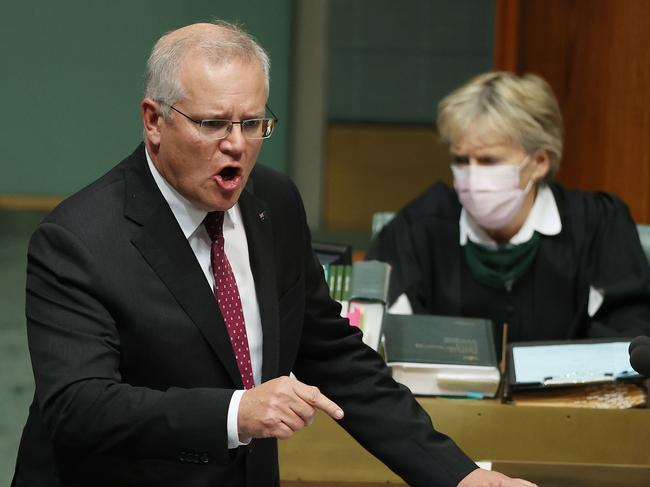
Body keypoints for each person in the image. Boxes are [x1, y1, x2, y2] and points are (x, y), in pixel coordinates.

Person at [11, 22, 535, 487]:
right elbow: (78, 405)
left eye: (252, 123)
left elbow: (335, 357)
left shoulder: (274, 204)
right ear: (154, 121)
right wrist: (236, 412)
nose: (236, 145)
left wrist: (461, 476)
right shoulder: (79, 239)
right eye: (213, 124)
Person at [367, 71, 650, 342]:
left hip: (568, 392)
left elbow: (629, 332)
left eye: (489, 161)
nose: (472, 176)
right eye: (462, 161)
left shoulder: (598, 225)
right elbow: (381, 330)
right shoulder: (417, 228)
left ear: (540, 162)